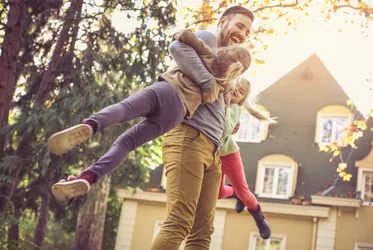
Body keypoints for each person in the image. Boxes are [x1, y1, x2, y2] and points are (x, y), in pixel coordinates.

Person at [49, 28, 251, 201]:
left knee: (125, 109)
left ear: (222, 51)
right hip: (176, 115)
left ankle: (92, 125)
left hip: (168, 91)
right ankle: (89, 177)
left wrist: (179, 34)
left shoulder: (208, 53)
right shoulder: (221, 86)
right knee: (127, 143)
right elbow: (216, 106)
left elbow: (184, 36)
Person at [150, 6, 255, 250]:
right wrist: (208, 82)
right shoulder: (208, 39)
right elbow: (177, 47)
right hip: (189, 137)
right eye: (239, 25)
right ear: (223, 22)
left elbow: (216, 103)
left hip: (213, 150)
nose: (243, 33)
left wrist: (229, 122)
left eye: (248, 32)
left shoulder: (230, 61)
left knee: (202, 233)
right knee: (179, 222)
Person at [218, 77, 273, 240]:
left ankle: (259, 216)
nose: (236, 90)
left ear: (241, 100)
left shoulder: (234, 108)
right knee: (218, 194)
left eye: (241, 92)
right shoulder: (218, 99)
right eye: (235, 86)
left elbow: (225, 131)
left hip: (229, 154)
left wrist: (227, 105)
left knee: (244, 192)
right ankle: (232, 191)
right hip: (215, 157)